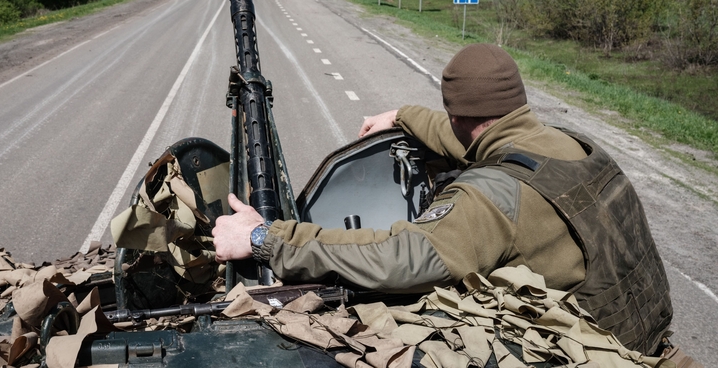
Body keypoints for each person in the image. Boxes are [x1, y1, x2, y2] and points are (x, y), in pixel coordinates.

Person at [212, 43, 672, 355]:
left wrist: (264, 236)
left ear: (460, 114)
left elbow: (399, 257)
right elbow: (471, 140)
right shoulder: (572, 146)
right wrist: (404, 116)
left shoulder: (491, 195)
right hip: (640, 330)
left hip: (588, 352)